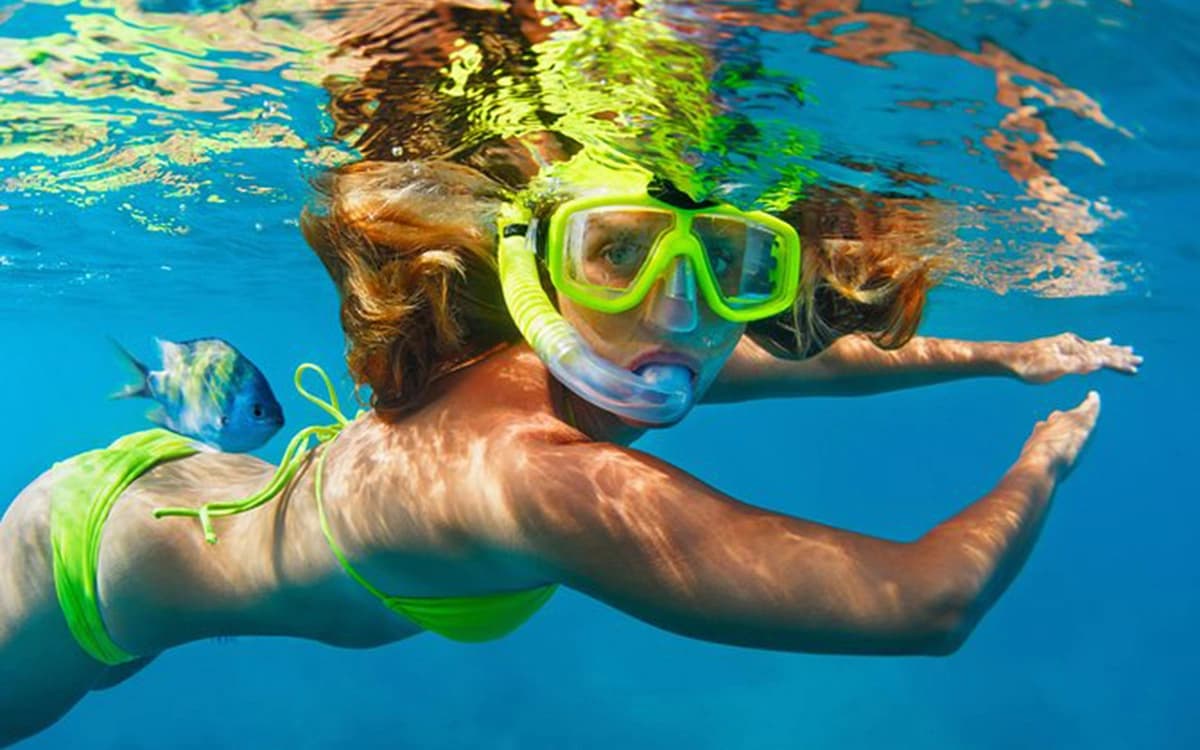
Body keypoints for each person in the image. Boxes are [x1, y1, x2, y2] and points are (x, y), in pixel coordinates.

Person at [0, 146, 1139, 746]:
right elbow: (923, 602)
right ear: (534, 266)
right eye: (623, 257)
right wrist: (1042, 461)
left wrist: (1009, 354)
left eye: (726, 271)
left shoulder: (557, 351)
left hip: (191, 508)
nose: (675, 316)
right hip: (79, 566)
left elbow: (791, 363)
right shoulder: (543, 480)